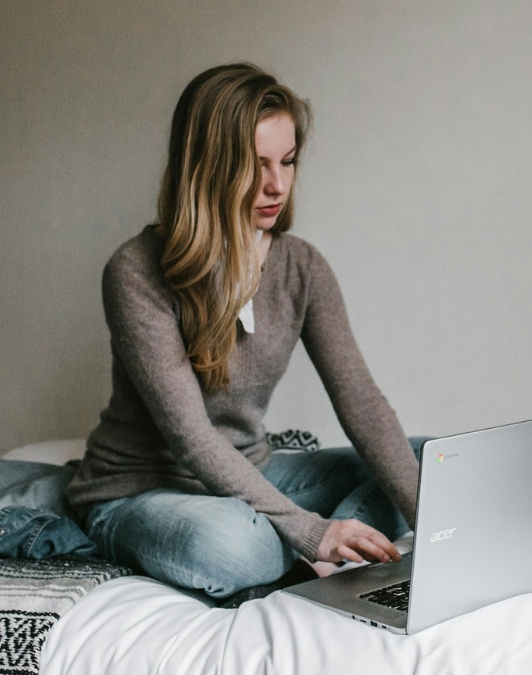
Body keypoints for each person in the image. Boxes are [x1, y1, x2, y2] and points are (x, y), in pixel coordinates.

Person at [65, 63, 422, 604]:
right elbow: (191, 438)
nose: (277, 185)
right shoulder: (136, 271)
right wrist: (309, 530)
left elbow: (361, 402)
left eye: (288, 161)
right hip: (143, 491)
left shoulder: (301, 266)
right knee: (231, 547)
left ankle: (340, 556)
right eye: (255, 166)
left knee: (432, 462)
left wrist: (434, 520)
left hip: (257, 475)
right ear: (207, 167)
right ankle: (316, 545)